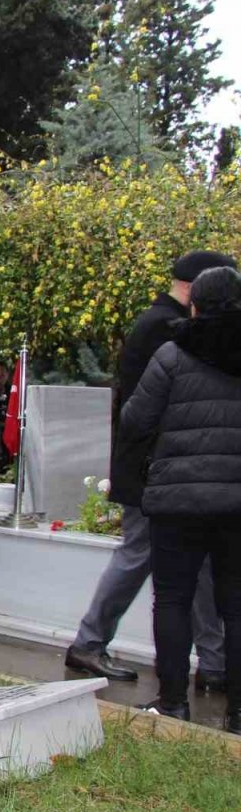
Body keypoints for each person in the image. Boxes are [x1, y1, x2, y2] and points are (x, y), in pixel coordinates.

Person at [66, 250, 236, 684]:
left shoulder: (172, 326)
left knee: (193, 571)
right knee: (140, 556)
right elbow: (144, 413)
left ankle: (214, 663)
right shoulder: (167, 328)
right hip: (155, 473)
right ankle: (89, 642)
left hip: (170, 472)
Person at [119, 264, 241, 733]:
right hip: (236, 503)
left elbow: (135, 421)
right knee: (235, 600)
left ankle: (173, 701)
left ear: (194, 303)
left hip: (178, 497)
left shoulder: (172, 354)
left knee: (172, 598)